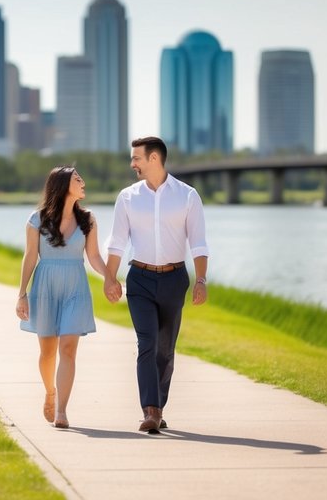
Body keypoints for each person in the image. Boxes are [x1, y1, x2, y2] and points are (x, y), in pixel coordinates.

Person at [103, 136, 209, 434]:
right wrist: (110, 278)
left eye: (136, 157)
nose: (132, 163)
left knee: (166, 349)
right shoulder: (127, 197)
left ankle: (159, 407)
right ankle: (150, 410)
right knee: (146, 343)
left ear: (153, 159)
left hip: (175, 279)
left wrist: (201, 280)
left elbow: (198, 243)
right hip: (140, 279)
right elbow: (117, 242)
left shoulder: (187, 196)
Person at [16, 166, 109, 430]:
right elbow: (30, 257)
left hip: (75, 288)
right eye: (77, 179)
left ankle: (62, 410)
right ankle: (50, 392)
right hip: (45, 287)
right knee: (47, 352)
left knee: (68, 349)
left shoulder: (88, 219)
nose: (83, 182)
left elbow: (93, 256)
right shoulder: (36, 219)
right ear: (62, 185)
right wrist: (22, 294)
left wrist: (110, 277)